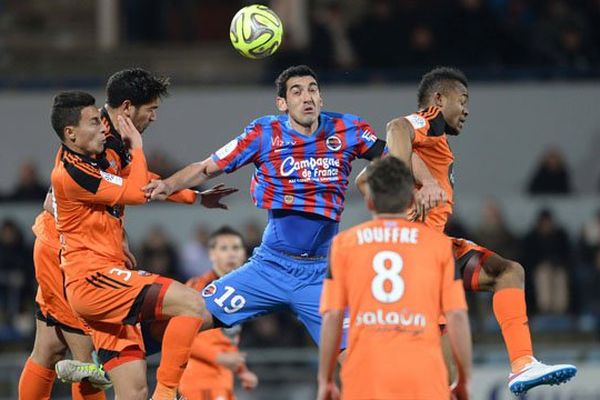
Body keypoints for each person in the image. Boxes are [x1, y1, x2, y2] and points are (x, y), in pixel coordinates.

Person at [145, 65, 386, 362]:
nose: (307, 97)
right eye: (296, 92)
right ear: (282, 103)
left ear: (321, 98)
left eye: (313, 89)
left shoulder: (346, 130)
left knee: (358, 362)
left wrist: (427, 180)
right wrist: (168, 184)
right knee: (189, 315)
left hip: (320, 277)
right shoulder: (264, 133)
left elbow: (395, 156)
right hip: (269, 268)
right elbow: (208, 166)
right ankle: (122, 358)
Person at [361, 66, 576, 394]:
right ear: (438, 98)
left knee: (507, 272)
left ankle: (522, 364)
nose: (466, 109)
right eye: (462, 100)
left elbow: (367, 177)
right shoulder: (428, 119)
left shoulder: (434, 144)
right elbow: (397, 126)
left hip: (437, 253)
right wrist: (417, 186)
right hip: (414, 258)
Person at [48, 91, 217, 400]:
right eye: (92, 123)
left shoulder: (94, 158)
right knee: (193, 305)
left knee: (134, 392)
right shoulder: (71, 171)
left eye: (101, 120)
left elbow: (144, 183)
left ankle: (94, 365)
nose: (101, 127)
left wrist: (194, 196)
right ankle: (165, 393)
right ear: (70, 134)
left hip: (103, 277)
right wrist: (138, 146)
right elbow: (139, 191)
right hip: (93, 279)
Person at [318, 156, 472, 400]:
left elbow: (333, 317)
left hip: (365, 376)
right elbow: (456, 316)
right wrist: (463, 380)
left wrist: (325, 380)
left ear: (369, 201)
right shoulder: (439, 247)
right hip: (423, 375)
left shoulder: (343, 245)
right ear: (412, 199)